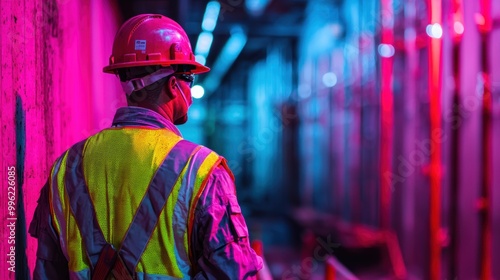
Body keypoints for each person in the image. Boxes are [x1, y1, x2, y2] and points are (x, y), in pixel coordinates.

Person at [29, 14, 264, 279]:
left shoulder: (65, 168)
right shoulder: (201, 172)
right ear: (175, 85)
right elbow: (232, 272)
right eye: (190, 78)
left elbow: (47, 270)